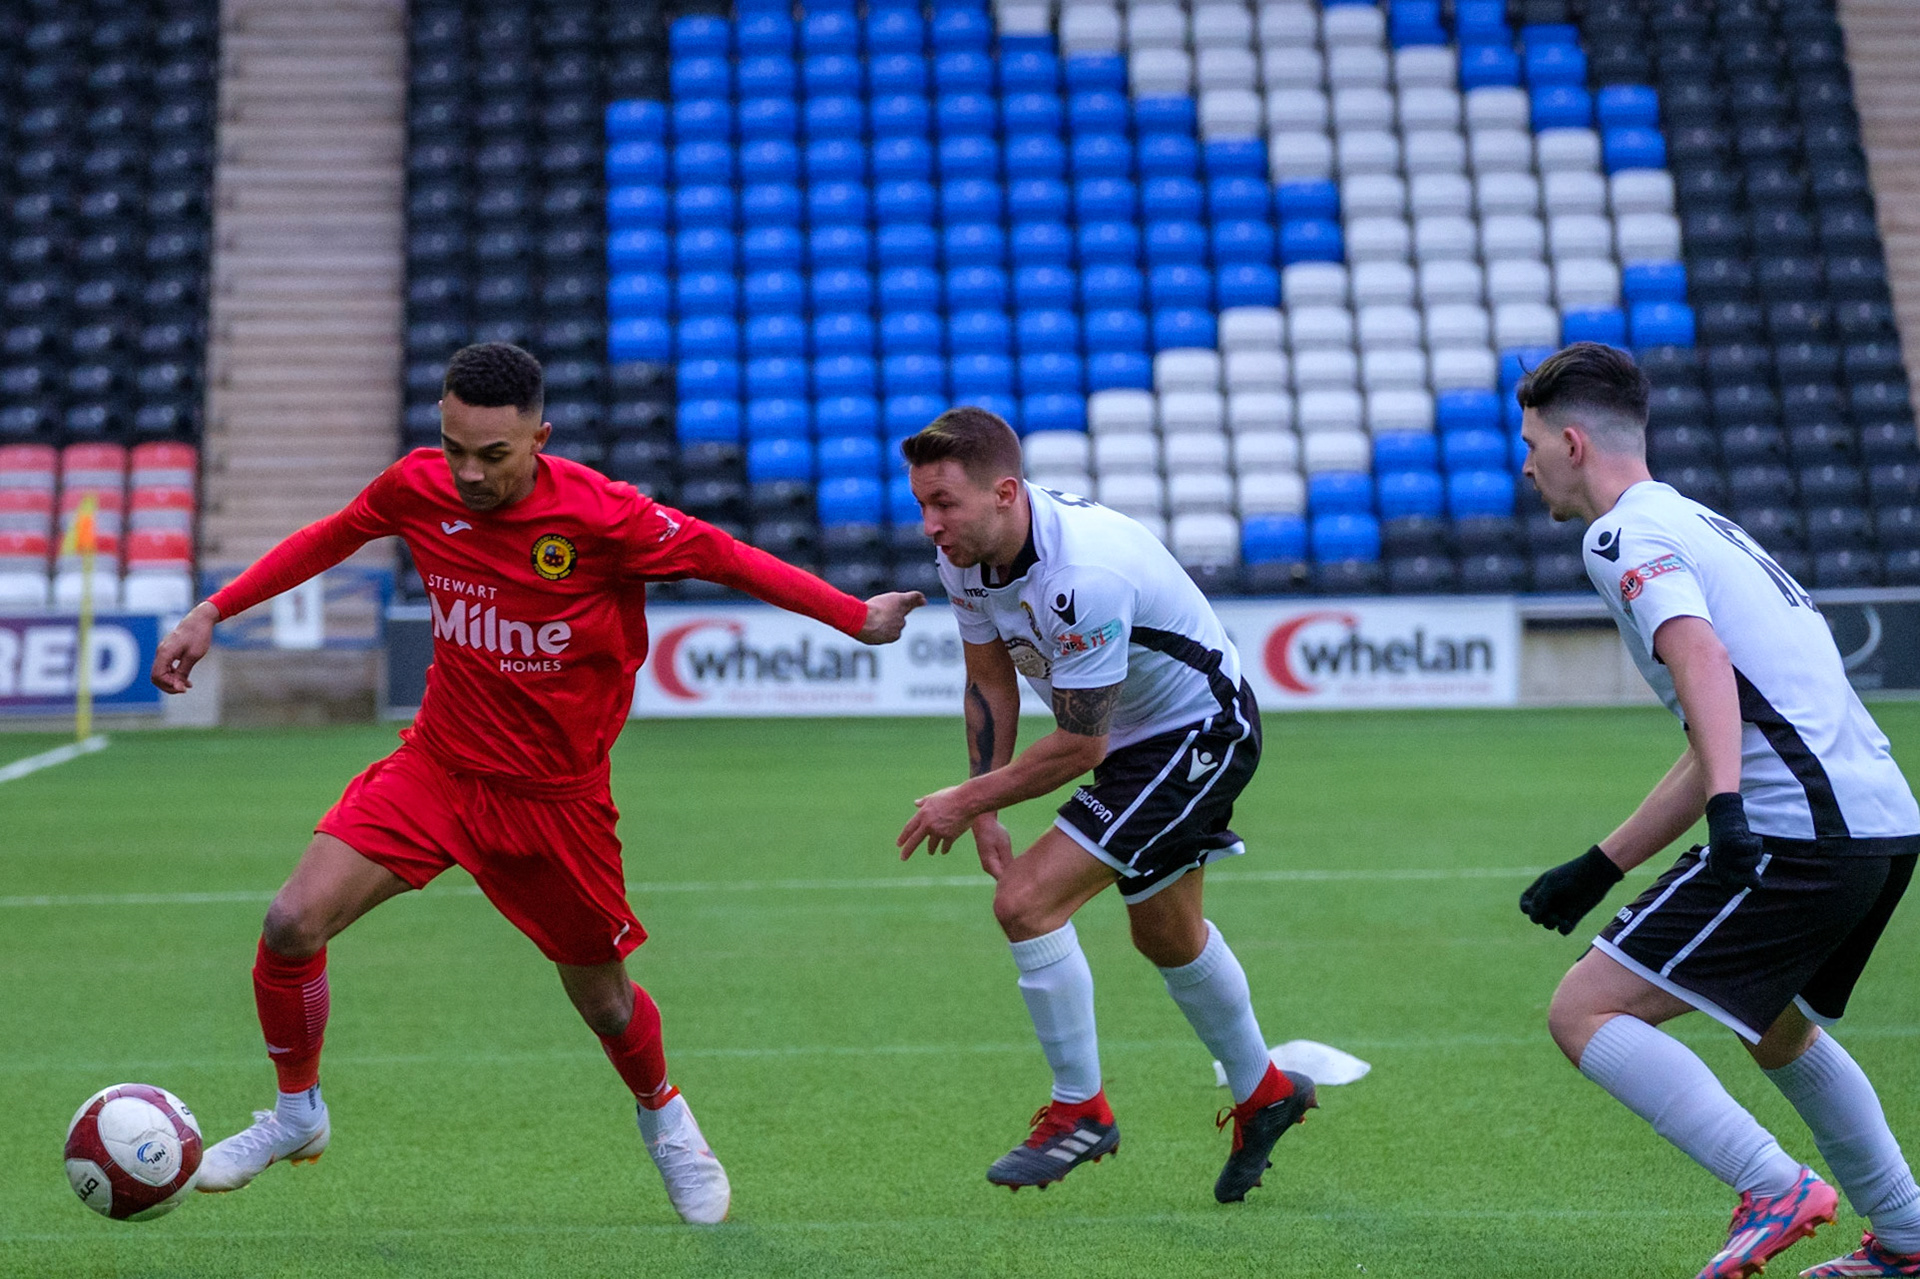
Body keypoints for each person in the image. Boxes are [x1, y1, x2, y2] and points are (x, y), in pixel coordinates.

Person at [150, 342, 924, 1224]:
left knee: (602, 996)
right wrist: (213, 608)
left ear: (540, 438)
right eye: (454, 449)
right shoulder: (417, 487)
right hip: (438, 768)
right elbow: (332, 536)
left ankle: (665, 1115)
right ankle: (297, 1112)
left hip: (556, 801)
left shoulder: (604, 517)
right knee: (291, 921)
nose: (469, 474)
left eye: (494, 455)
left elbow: (726, 557)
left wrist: (854, 614)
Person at [1515, 342, 1920, 1279]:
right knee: (1773, 1021)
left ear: (1573, 442)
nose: (1525, 464)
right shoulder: (1701, 523)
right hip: (1878, 824)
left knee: (1585, 1011)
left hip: (1803, 834)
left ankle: (1771, 1185)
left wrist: (1733, 815)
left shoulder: (1617, 536)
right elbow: (1723, 719)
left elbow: (1701, 667)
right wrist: (1603, 863)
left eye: (1532, 442)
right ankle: (1904, 1236)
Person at [893, 407, 1314, 1203]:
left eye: (943, 503)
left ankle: (1080, 1109)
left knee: (1025, 902)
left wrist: (964, 798)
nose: (929, 524)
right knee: (1167, 933)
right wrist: (986, 808)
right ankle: (1268, 1094)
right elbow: (989, 681)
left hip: (1198, 728)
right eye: (921, 502)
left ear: (1005, 493)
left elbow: (1080, 747)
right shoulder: (968, 557)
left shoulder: (1082, 576)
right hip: (1132, 736)